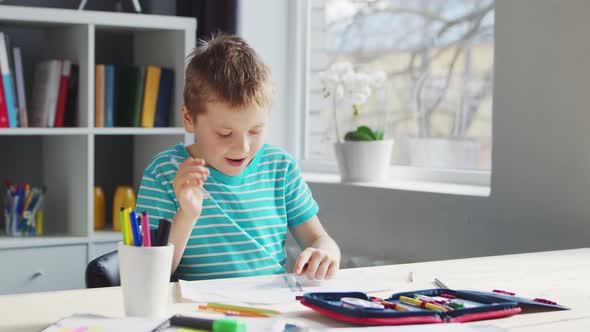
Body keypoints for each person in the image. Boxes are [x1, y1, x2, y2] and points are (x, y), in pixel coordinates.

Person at [136, 33, 340, 281]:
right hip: (200, 313)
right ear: (189, 119)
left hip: (271, 308)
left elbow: (319, 238)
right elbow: (149, 274)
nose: (242, 147)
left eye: (256, 131)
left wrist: (326, 252)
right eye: (225, 133)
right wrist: (186, 214)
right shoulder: (165, 172)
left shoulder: (280, 168)